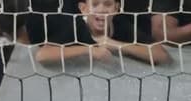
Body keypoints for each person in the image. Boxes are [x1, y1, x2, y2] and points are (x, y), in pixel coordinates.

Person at [28, 0, 170, 67]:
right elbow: (42, 55)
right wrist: (89, 50)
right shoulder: (76, 27)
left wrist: (115, 44)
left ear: (116, 8)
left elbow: (160, 54)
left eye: (108, 4)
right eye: (95, 5)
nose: (101, 10)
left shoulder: (121, 26)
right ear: (83, 8)